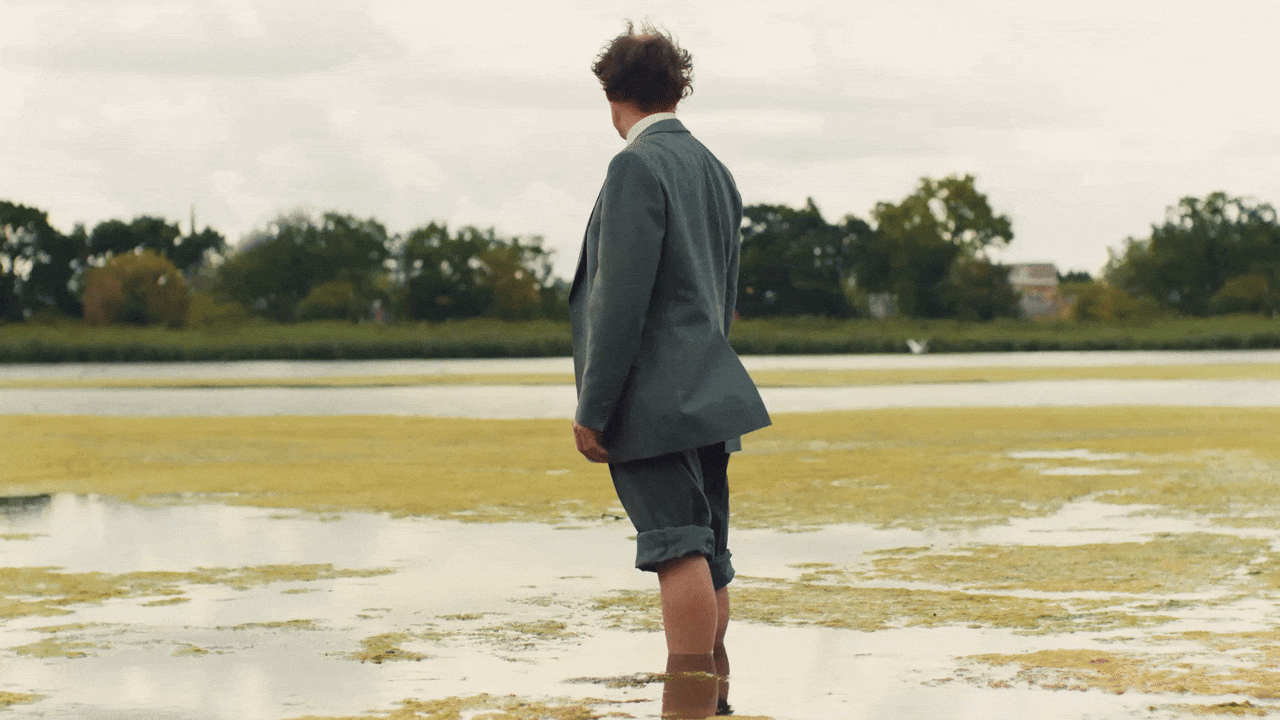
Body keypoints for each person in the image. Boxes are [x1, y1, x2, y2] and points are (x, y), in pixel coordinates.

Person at [569, 20, 771, 718]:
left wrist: (595, 408)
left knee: (675, 545)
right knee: (707, 549)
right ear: (675, 90)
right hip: (710, 388)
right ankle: (710, 703)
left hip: (650, 399)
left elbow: (617, 301)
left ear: (612, 94)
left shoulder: (635, 165)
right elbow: (725, 294)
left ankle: (687, 702)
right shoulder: (715, 170)